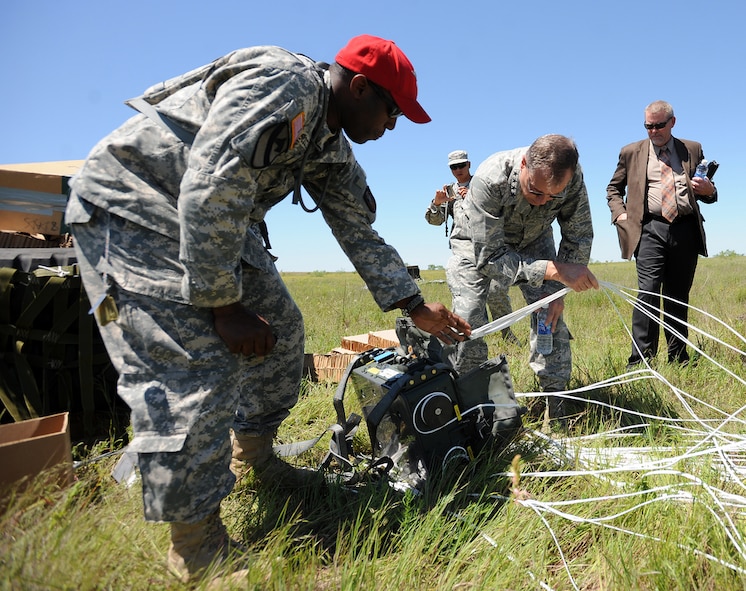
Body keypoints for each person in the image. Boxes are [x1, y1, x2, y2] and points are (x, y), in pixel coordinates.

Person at [65, 35, 471, 584]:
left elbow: (357, 228)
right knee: (194, 368)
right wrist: (222, 304)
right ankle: (196, 546)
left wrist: (413, 304)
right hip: (139, 205)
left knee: (281, 332)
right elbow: (211, 180)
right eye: (391, 111)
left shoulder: (328, 140)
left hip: (215, 221)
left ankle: (252, 455)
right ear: (358, 87)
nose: (390, 127)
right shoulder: (286, 85)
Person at [445, 135, 598, 424]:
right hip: (476, 246)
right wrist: (551, 271)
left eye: (553, 197)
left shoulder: (572, 177)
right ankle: (471, 407)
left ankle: (555, 403)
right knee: (469, 316)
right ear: (524, 164)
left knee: (549, 317)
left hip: (535, 239)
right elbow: (490, 259)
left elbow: (578, 234)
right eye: (535, 191)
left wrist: (558, 293)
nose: (542, 203)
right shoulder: (490, 179)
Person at [606, 100, 717, 369]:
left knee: (678, 296)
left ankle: (679, 359)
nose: (653, 131)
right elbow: (613, 189)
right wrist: (620, 215)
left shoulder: (692, 149)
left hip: (685, 229)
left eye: (658, 125)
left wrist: (708, 191)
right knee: (648, 293)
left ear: (672, 122)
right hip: (649, 229)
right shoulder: (631, 152)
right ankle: (642, 361)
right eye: (648, 126)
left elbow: (709, 193)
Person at [425, 150, 521, 345]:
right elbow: (434, 220)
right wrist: (437, 203)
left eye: (462, 165)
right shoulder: (449, 192)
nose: (458, 170)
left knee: (497, 294)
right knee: (466, 301)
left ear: (469, 164)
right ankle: (472, 343)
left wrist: (473, 197)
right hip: (463, 251)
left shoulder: (484, 184)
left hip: (490, 248)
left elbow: (504, 213)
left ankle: (506, 334)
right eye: (454, 167)